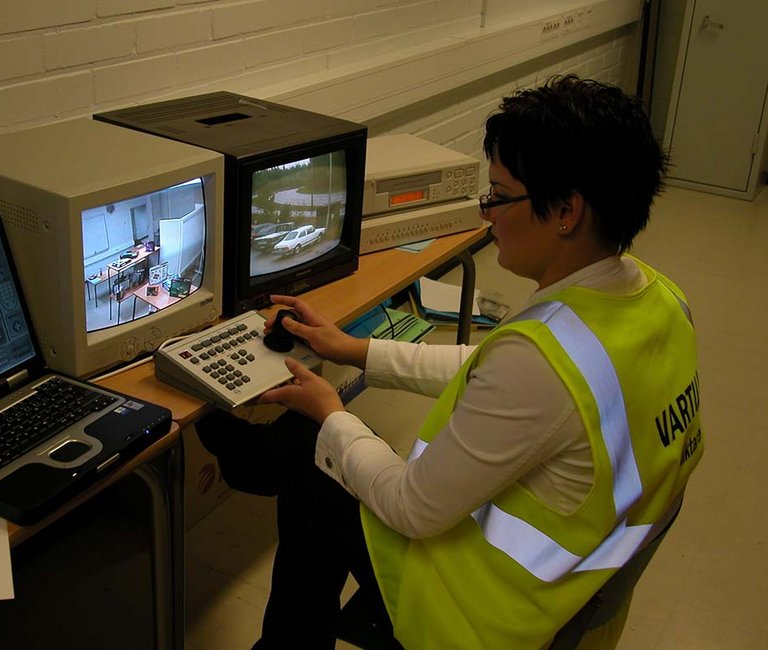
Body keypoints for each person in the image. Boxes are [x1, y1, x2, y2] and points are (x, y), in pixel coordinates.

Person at [196, 75, 704, 649]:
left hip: (480, 619)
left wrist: (332, 412)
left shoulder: (539, 363)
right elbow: (492, 370)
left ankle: (232, 444)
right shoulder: (660, 301)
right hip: (576, 597)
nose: (488, 215)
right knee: (317, 452)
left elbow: (411, 507)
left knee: (313, 451)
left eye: (500, 196)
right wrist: (352, 349)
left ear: (566, 210)